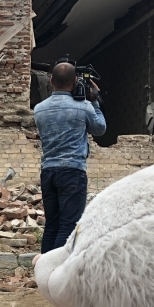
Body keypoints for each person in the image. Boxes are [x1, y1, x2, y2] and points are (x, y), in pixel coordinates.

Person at [33, 61, 107, 253]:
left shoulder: (39, 108)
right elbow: (100, 129)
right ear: (75, 81)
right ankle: (56, 272)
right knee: (68, 226)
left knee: (52, 225)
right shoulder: (84, 107)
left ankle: (43, 274)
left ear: (51, 80)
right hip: (72, 171)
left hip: (48, 170)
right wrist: (94, 100)